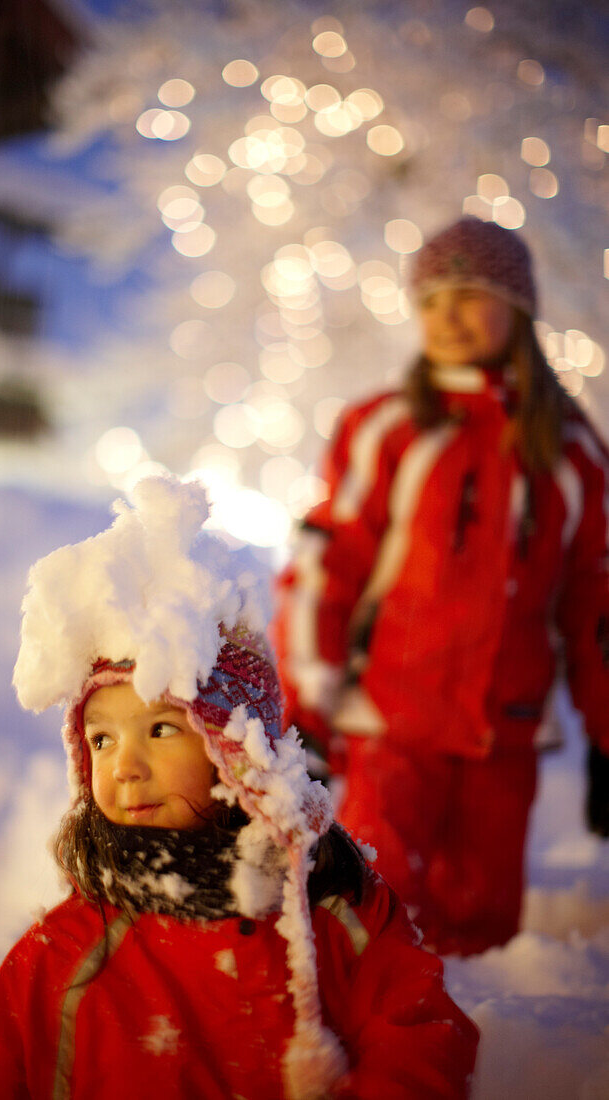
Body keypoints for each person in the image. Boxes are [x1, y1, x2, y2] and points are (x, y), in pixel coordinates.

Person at [0, 476, 478, 1100]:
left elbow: (422, 1039)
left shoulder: (331, 911)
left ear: (235, 750)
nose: (125, 767)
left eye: (161, 729)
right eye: (102, 740)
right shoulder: (63, 953)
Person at [273, 216, 609, 957]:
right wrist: (306, 712)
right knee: (368, 919)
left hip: (504, 738)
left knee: (482, 929)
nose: (445, 315)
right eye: (429, 299)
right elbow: (325, 574)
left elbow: (594, 603)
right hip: (389, 729)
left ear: (517, 309)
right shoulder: (387, 427)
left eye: (468, 294)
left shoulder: (572, 450)